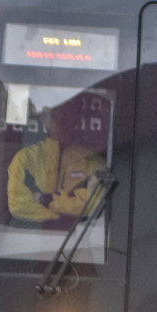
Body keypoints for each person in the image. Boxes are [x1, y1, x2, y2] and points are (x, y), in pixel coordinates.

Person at [7, 93, 107, 225]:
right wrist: (65, 207)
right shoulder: (24, 159)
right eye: (54, 112)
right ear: (43, 118)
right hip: (26, 238)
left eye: (66, 111)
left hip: (81, 238)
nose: (60, 118)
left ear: (77, 116)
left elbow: (96, 203)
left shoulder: (93, 162)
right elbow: (17, 205)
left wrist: (44, 200)